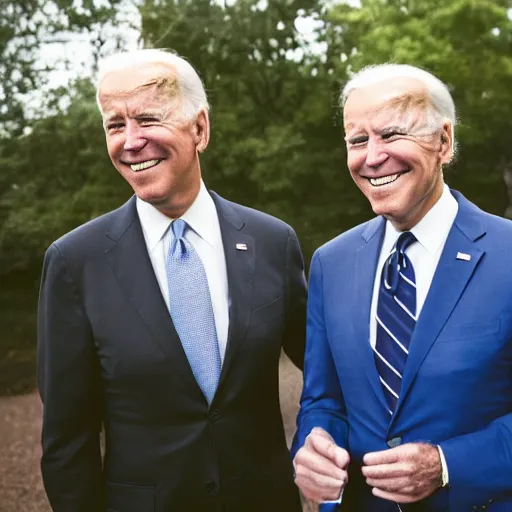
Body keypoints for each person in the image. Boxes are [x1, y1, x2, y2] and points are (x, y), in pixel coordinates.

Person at [37, 48, 307, 512]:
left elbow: (327, 377)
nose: (130, 141)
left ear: (199, 128)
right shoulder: (73, 262)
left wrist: (314, 452)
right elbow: (67, 439)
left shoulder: (272, 241)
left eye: (147, 119)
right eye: (115, 125)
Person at [291, 63, 512, 511]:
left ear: (444, 142)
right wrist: (314, 447)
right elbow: (324, 400)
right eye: (357, 140)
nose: (372, 156)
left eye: (391, 134)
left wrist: (446, 463)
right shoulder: (330, 263)